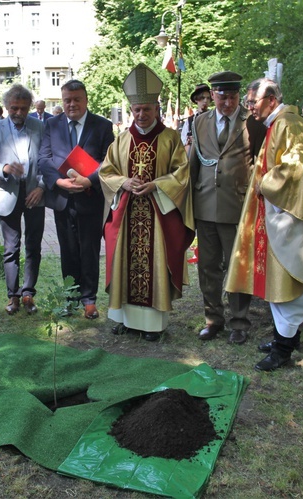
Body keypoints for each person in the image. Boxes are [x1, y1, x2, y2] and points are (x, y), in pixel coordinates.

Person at [225, 78, 303, 371]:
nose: (249, 108)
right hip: (276, 212)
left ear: (271, 99)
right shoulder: (278, 122)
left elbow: (300, 169)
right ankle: (286, 338)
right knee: (276, 278)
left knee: (286, 279)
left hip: (288, 217)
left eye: (252, 102)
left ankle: (283, 350)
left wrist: (265, 183)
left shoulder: (289, 124)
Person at [99, 63, 194, 341]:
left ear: (156, 109)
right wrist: (124, 183)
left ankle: (153, 325)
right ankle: (126, 319)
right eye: (137, 109)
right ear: (132, 110)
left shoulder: (170, 139)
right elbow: (106, 172)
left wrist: (156, 185)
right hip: (128, 215)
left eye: (147, 109)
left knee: (154, 264)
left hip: (158, 216)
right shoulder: (121, 140)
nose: (142, 115)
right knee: (125, 263)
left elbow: (182, 173)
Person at [188, 72, 266, 344]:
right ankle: (213, 319)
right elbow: (193, 164)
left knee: (238, 266)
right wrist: (188, 203)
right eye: (222, 97)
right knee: (208, 266)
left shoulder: (254, 123)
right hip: (205, 205)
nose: (228, 103)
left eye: (233, 97)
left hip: (237, 207)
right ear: (212, 95)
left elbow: (260, 162)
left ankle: (240, 322)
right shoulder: (200, 121)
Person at [38, 80, 114, 319]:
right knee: (68, 250)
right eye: (67, 100)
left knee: (89, 250)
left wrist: (89, 180)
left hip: (90, 198)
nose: (72, 104)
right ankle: (70, 298)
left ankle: (89, 300)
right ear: (63, 101)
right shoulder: (51, 124)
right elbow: (44, 158)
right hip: (63, 198)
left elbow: (108, 160)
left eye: (76, 99)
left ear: (86, 99)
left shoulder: (102, 125)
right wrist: (58, 182)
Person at [0, 84, 45, 315]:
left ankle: (29, 293)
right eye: (13, 108)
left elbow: (47, 161)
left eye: (23, 108)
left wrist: (41, 187)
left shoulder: (40, 127)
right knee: (11, 248)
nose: (18, 113)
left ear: (30, 107)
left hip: (34, 194)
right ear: (6, 107)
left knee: (33, 245)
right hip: (8, 193)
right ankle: (13, 296)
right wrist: (5, 168)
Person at [180, 83, 211, 153]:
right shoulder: (190, 120)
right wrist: (189, 141)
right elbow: (183, 141)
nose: (205, 101)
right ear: (196, 99)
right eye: (202, 98)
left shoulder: (214, 118)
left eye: (208, 98)